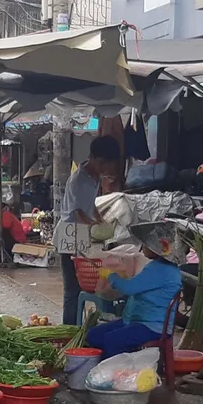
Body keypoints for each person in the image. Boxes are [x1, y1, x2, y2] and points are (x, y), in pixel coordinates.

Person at [86, 221, 184, 359]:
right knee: (94, 335)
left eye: (146, 244)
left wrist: (111, 276)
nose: (143, 247)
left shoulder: (161, 270)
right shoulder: (159, 266)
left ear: (157, 248)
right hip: (139, 320)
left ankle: (114, 370)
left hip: (152, 326)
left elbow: (129, 288)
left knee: (111, 340)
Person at [60, 136, 121, 325]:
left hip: (83, 231)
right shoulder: (79, 180)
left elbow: (89, 205)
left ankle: (82, 325)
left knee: (84, 284)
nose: (106, 168)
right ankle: (68, 328)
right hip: (70, 232)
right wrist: (95, 226)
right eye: (104, 163)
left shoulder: (94, 177)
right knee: (72, 289)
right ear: (94, 158)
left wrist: (100, 219)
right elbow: (78, 212)